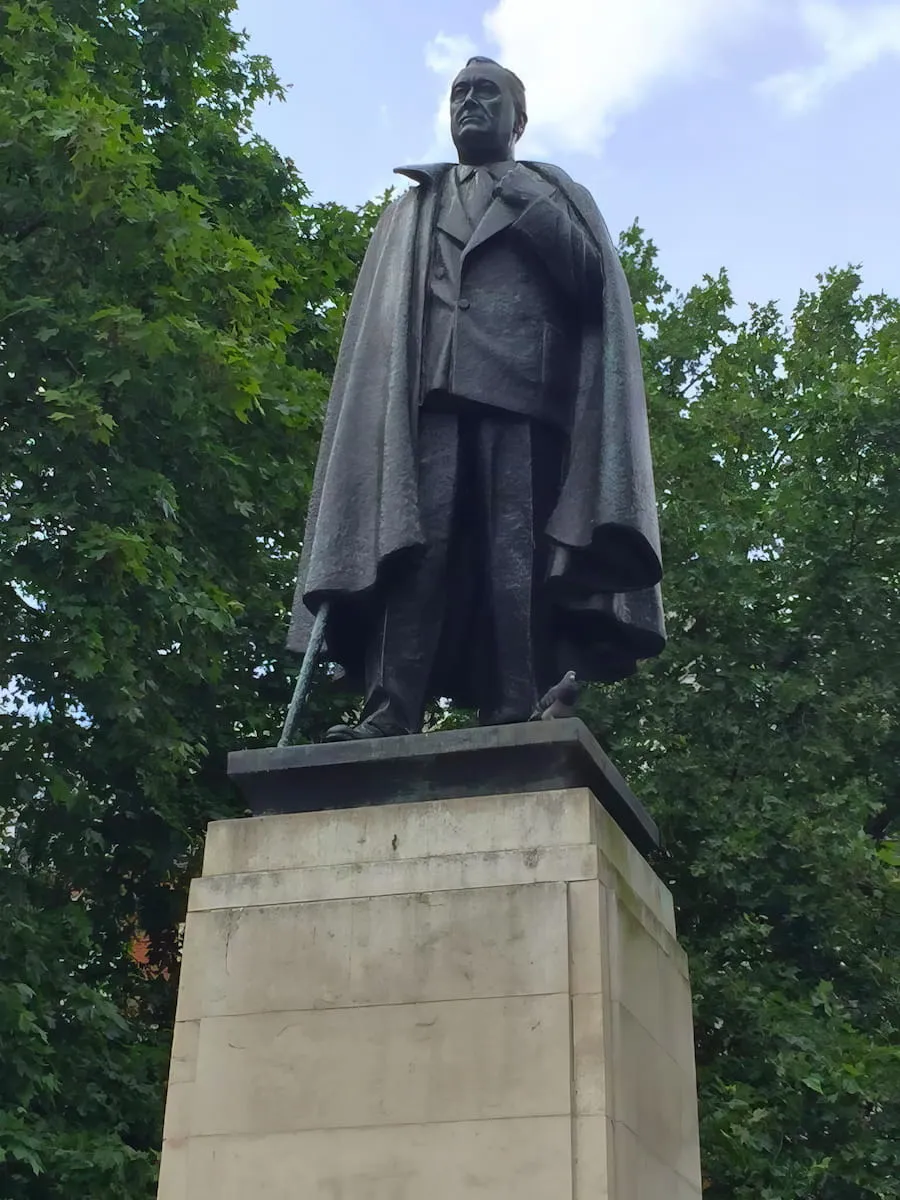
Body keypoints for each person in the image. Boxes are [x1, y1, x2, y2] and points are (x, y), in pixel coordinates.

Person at [287, 56, 665, 741]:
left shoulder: (553, 193)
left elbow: (592, 287)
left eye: (486, 93)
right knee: (411, 553)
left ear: (519, 120)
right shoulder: (414, 207)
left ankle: (514, 706)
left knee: (514, 560)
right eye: (459, 92)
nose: (469, 102)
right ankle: (390, 710)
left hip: (523, 400)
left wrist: (527, 203)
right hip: (426, 402)